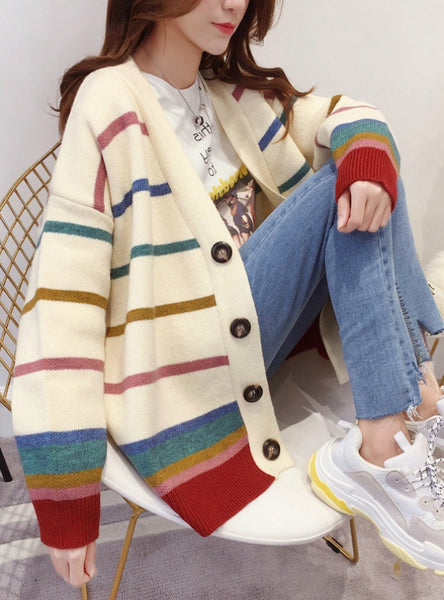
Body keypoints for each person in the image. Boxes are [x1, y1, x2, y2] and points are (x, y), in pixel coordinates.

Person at [11, 0, 444, 589]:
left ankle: (411, 410)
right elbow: (64, 301)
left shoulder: (228, 94)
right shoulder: (108, 100)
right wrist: (65, 500)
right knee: (344, 184)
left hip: (249, 344)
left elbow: (350, 113)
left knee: (366, 156)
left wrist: (366, 150)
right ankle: (392, 431)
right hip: (179, 377)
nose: (234, 4)